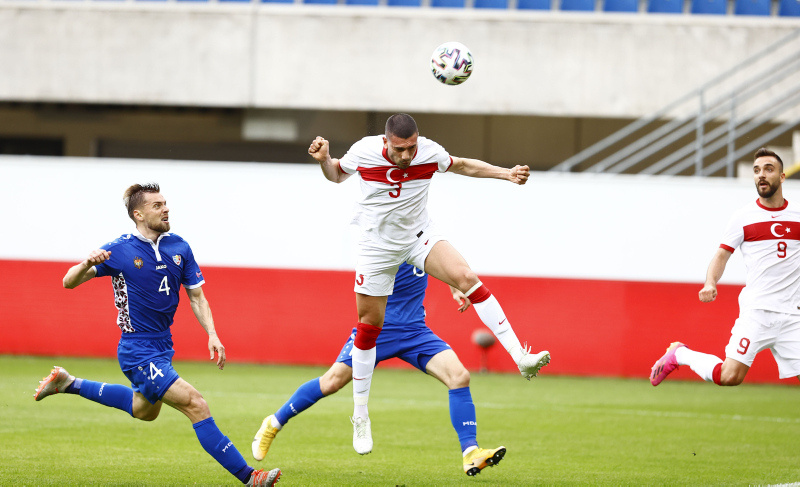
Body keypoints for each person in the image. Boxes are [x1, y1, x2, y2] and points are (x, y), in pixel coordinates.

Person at [308, 113, 550, 455]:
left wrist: (505, 174)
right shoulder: (364, 151)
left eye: (412, 148)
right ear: (386, 142)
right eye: (400, 149)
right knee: (369, 327)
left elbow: (463, 165)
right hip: (376, 246)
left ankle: (520, 356)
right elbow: (335, 175)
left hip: (418, 236)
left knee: (466, 278)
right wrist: (324, 162)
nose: (407, 156)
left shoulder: (429, 152)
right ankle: (360, 415)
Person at [34, 183, 281, 487]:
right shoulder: (120, 249)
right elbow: (67, 282)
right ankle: (250, 477)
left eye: (165, 203)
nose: (165, 209)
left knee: (144, 411)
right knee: (195, 403)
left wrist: (212, 334)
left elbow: (197, 297)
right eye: (157, 205)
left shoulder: (180, 246)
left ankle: (68, 383)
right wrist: (87, 262)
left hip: (163, 345)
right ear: (138, 214)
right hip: (137, 349)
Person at [252, 263, 506, 476]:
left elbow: (441, 263)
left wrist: (454, 288)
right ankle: (273, 423)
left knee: (459, 376)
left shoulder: (421, 236)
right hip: (377, 331)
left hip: (415, 330)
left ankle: (471, 452)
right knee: (331, 382)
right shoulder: (383, 242)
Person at [651, 148, 800, 387]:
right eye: (756, 170)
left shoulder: (797, 215)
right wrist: (710, 282)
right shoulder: (743, 217)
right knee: (729, 376)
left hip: (793, 316)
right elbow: (721, 255)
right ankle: (680, 354)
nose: (761, 175)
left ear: (782, 177)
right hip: (758, 313)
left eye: (768, 169)